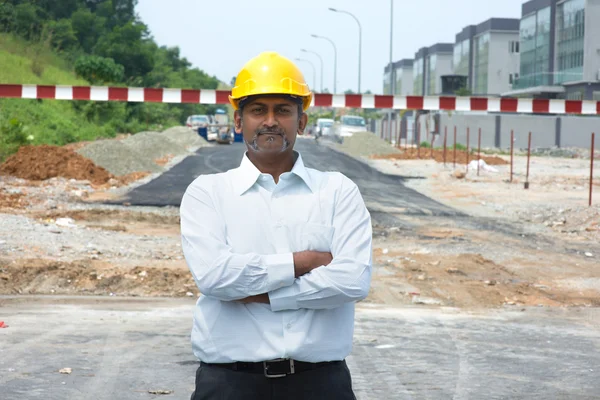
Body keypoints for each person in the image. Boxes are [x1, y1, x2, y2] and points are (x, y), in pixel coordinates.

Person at [180, 51, 373, 400]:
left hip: (321, 384)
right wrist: (305, 263)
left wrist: (260, 293)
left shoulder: (337, 191)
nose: (270, 120)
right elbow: (214, 277)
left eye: (282, 110)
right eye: (258, 110)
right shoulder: (207, 193)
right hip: (229, 384)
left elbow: (352, 281)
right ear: (239, 121)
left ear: (301, 122)